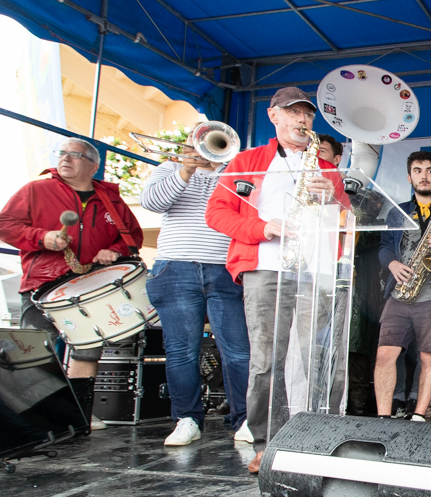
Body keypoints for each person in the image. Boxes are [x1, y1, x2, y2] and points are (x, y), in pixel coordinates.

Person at [206, 87, 346, 474]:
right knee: (268, 360)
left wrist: (333, 197)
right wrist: (263, 226)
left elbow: (349, 218)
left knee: (315, 359)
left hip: (314, 270)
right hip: (267, 266)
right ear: (274, 116)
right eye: (294, 113)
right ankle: (268, 442)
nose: (303, 120)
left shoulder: (326, 166)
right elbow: (216, 214)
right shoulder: (248, 161)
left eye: (308, 115)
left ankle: (318, 439)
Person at [0, 137, 143, 430]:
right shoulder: (36, 189)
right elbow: (5, 225)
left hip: (90, 286)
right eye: (61, 153)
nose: (65, 158)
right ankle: (37, 419)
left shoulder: (111, 199)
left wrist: (114, 250)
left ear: (93, 165)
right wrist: (42, 237)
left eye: (74, 155)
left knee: (88, 350)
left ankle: (79, 414)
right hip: (43, 283)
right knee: (34, 351)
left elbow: (132, 237)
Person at [141, 128, 250, 447]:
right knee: (180, 351)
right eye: (198, 139)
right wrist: (186, 169)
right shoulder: (168, 168)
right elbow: (152, 202)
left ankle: (244, 419)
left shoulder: (236, 172)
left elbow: (247, 210)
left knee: (238, 350)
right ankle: (186, 418)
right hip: (175, 267)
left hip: (224, 268)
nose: (204, 146)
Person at [374, 151, 431, 423]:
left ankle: (419, 415)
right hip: (400, 293)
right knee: (385, 354)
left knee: (428, 355)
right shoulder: (397, 212)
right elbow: (384, 247)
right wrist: (393, 265)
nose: (424, 175)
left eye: (430, 170)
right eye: (418, 170)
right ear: (409, 177)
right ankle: (383, 417)